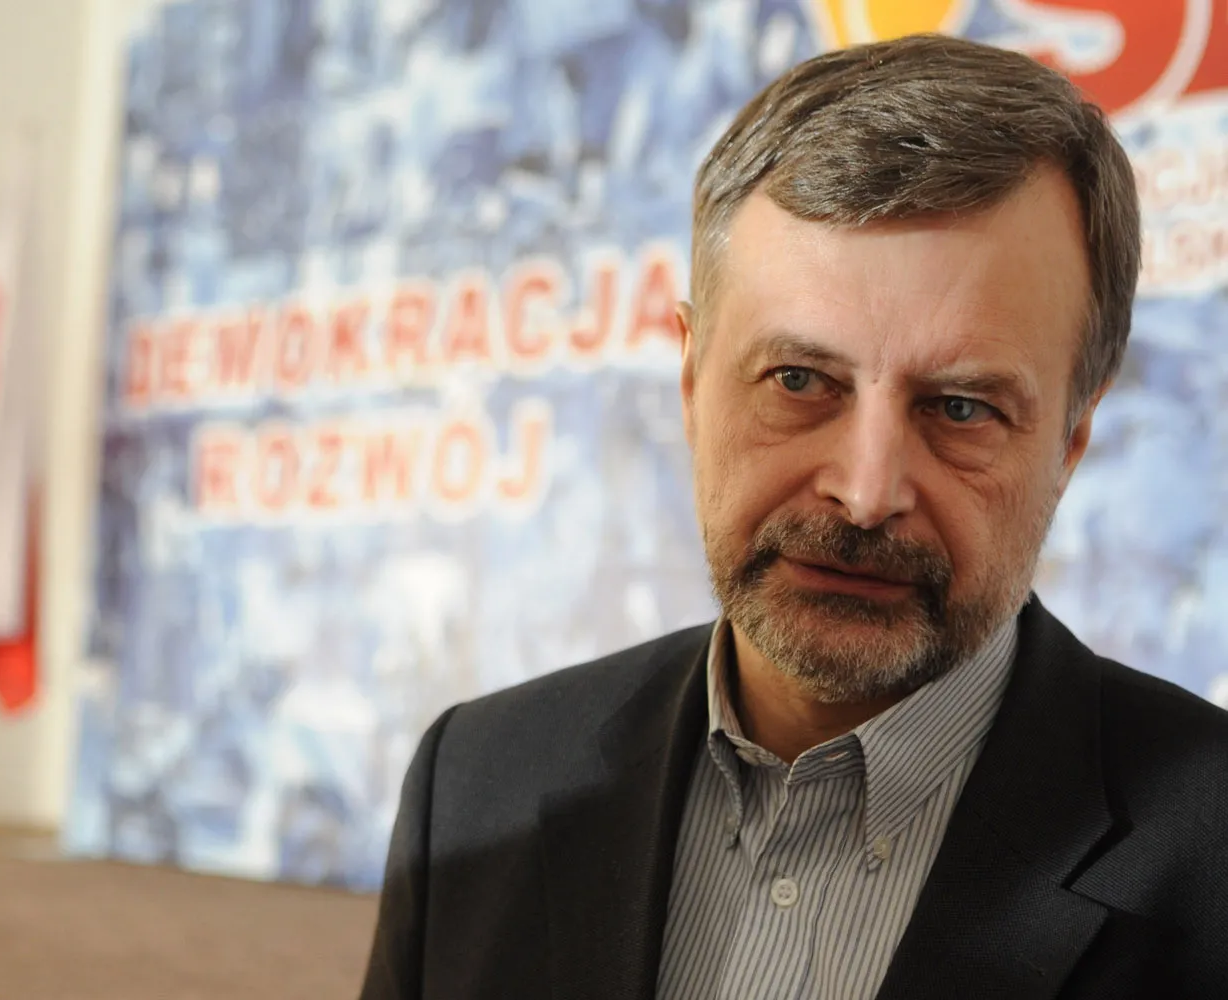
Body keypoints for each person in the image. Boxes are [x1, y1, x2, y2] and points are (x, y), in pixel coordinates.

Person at [360, 33, 1228, 999]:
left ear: (1069, 442)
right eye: (799, 380)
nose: (866, 492)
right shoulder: (475, 785)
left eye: (960, 408)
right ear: (692, 379)